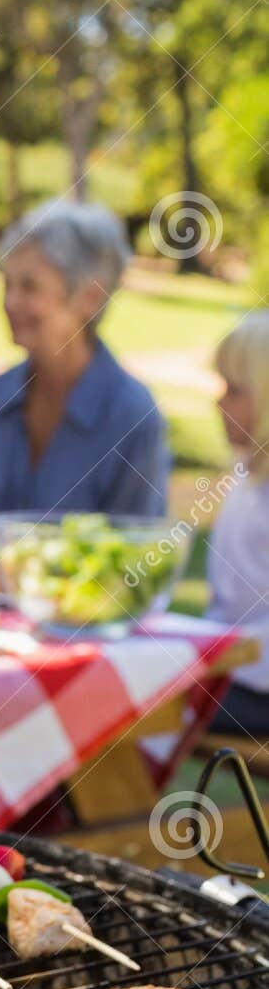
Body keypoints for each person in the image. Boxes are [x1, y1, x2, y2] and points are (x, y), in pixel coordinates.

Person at [0, 200, 169, 551]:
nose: (10, 302)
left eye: (30, 287)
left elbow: (133, 564)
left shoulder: (132, 419)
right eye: (7, 284)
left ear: (90, 298)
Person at [207, 312, 269, 736]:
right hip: (231, 666)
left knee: (118, 711)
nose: (219, 402)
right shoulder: (248, 477)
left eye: (234, 390)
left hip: (256, 683)